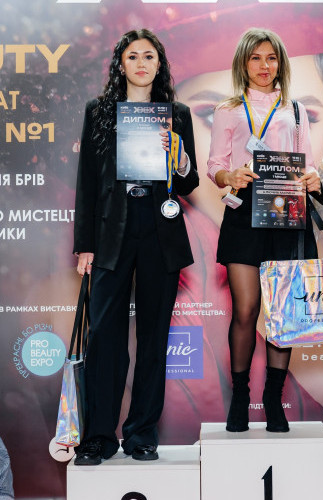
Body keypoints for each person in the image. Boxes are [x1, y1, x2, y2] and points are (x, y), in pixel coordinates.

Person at [72, 29, 199, 465]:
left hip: (160, 229)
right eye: (132, 56)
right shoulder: (99, 112)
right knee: (104, 337)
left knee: (153, 338)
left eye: (149, 56)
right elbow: (88, 182)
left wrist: (179, 155)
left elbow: (189, 181)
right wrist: (84, 244)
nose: (141, 63)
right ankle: (98, 437)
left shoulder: (177, 114)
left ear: (159, 64)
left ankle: (142, 434)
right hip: (112, 231)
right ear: (120, 65)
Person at [207, 28, 321, 433]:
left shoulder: (295, 110)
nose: (264, 65)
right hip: (243, 215)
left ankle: (273, 399)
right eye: (255, 57)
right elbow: (214, 165)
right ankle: (240, 397)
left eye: (271, 57)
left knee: (282, 313)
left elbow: (308, 162)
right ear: (243, 62)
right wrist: (229, 175)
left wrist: (313, 177)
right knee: (246, 309)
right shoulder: (228, 109)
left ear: (280, 63)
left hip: (286, 214)